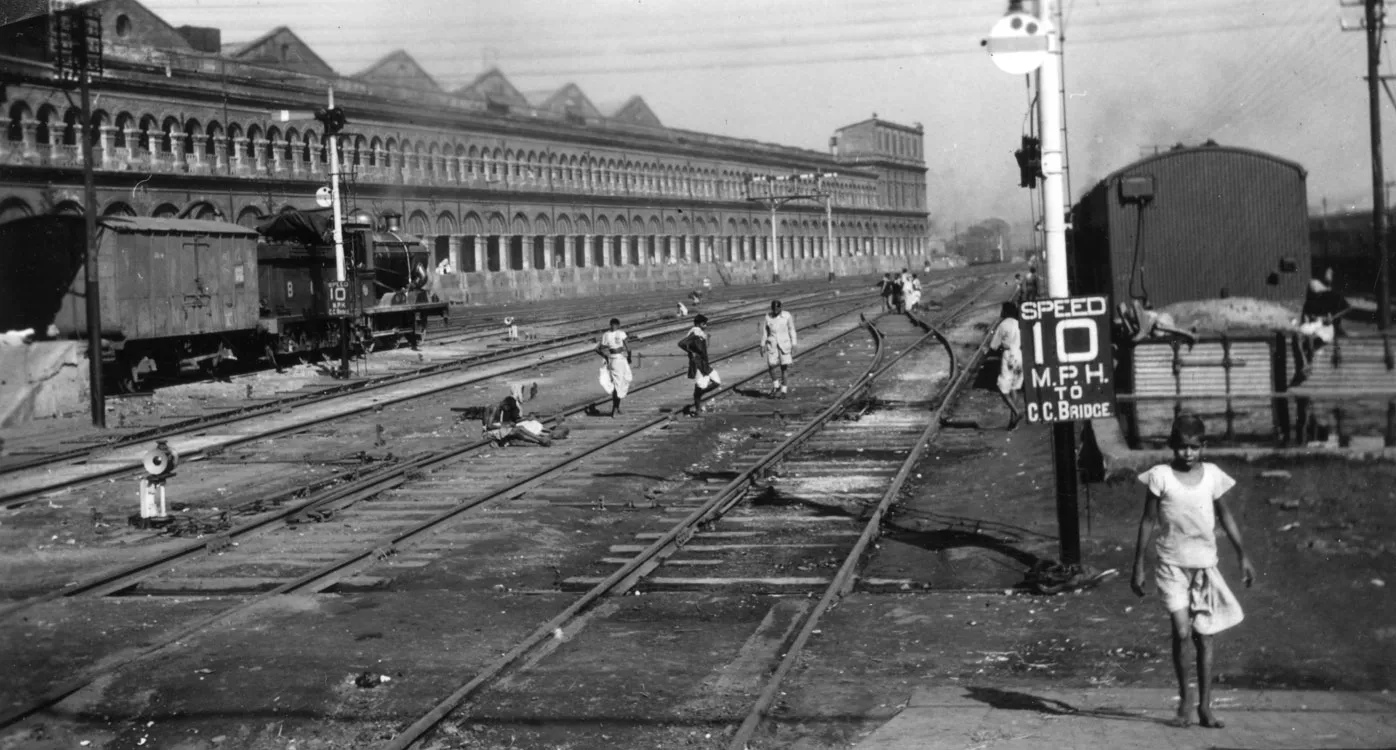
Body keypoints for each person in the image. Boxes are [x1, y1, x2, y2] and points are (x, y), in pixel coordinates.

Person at [1131, 413, 1255, 730]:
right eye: (1182, 447)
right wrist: (1138, 565)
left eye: (1194, 447)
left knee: (1205, 636)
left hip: (1205, 566)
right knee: (1182, 631)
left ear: (1203, 447)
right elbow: (1147, 521)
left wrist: (1242, 556)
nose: (1188, 453)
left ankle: (1206, 707)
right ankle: (1185, 700)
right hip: (1171, 565)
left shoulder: (1212, 475)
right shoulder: (1160, 476)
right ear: (1173, 446)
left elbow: (1226, 518)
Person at [1291, 265, 1351, 385]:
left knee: (1309, 340)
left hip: (1325, 329)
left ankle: (1308, 364)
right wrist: (1309, 320)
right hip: (1315, 327)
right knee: (1300, 338)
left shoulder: (1333, 298)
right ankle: (1306, 364)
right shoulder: (1311, 302)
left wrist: (1332, 319)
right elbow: (1306, 318)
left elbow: (1346, 309)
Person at [988, 301, 1024, 430]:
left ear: (1005, 311)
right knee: (1014, 387)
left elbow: (993, 345)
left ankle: (1016, 412)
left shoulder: (1003, 325)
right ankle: (1012, 421)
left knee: (1002, 387)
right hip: (1020, 355)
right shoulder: (1019, 324)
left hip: (1009, 356)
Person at [678, 314, 720, 415]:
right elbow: (682, 343)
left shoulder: (700, 333)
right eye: (704, 323)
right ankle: (698, 408)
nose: (706, 325)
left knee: (716, 381)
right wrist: (691, 352)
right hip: (697, 364)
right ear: (698, 324)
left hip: (703, 363)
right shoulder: (695, 332)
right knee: (701, 386)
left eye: (706, 323)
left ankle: (698, 397)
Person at [1117, 298, 1198, 348]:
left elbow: (1169, 329)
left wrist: (1188, 334)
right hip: (1151, 325)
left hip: (1156, 326)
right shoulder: (1157, 320)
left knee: (1158, 329)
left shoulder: (1161, 325)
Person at [760, 300, 797, 398]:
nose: (775, 311)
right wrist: (762, 344)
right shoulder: (768, 317)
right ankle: (776, 386)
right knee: (771, 365)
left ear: (780, 308)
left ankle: (783, 390)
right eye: (774, 309)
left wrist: (794, 343)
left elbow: (791, 329)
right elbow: (765, 332)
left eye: (777, 309)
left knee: (784, 368)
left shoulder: (787, 316)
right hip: (772, 344)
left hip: (784, 344)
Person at [596, 318, 632, 417]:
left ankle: (617, 407)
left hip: (614, 359)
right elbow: (628, 347)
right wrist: (629, 358)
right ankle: (614, 409)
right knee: (619, 383)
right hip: (619, 360)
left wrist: (606, 356)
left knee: (618, 383)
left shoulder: (606, 334)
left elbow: (597, 349)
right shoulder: (621, 333)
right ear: (618, 325)